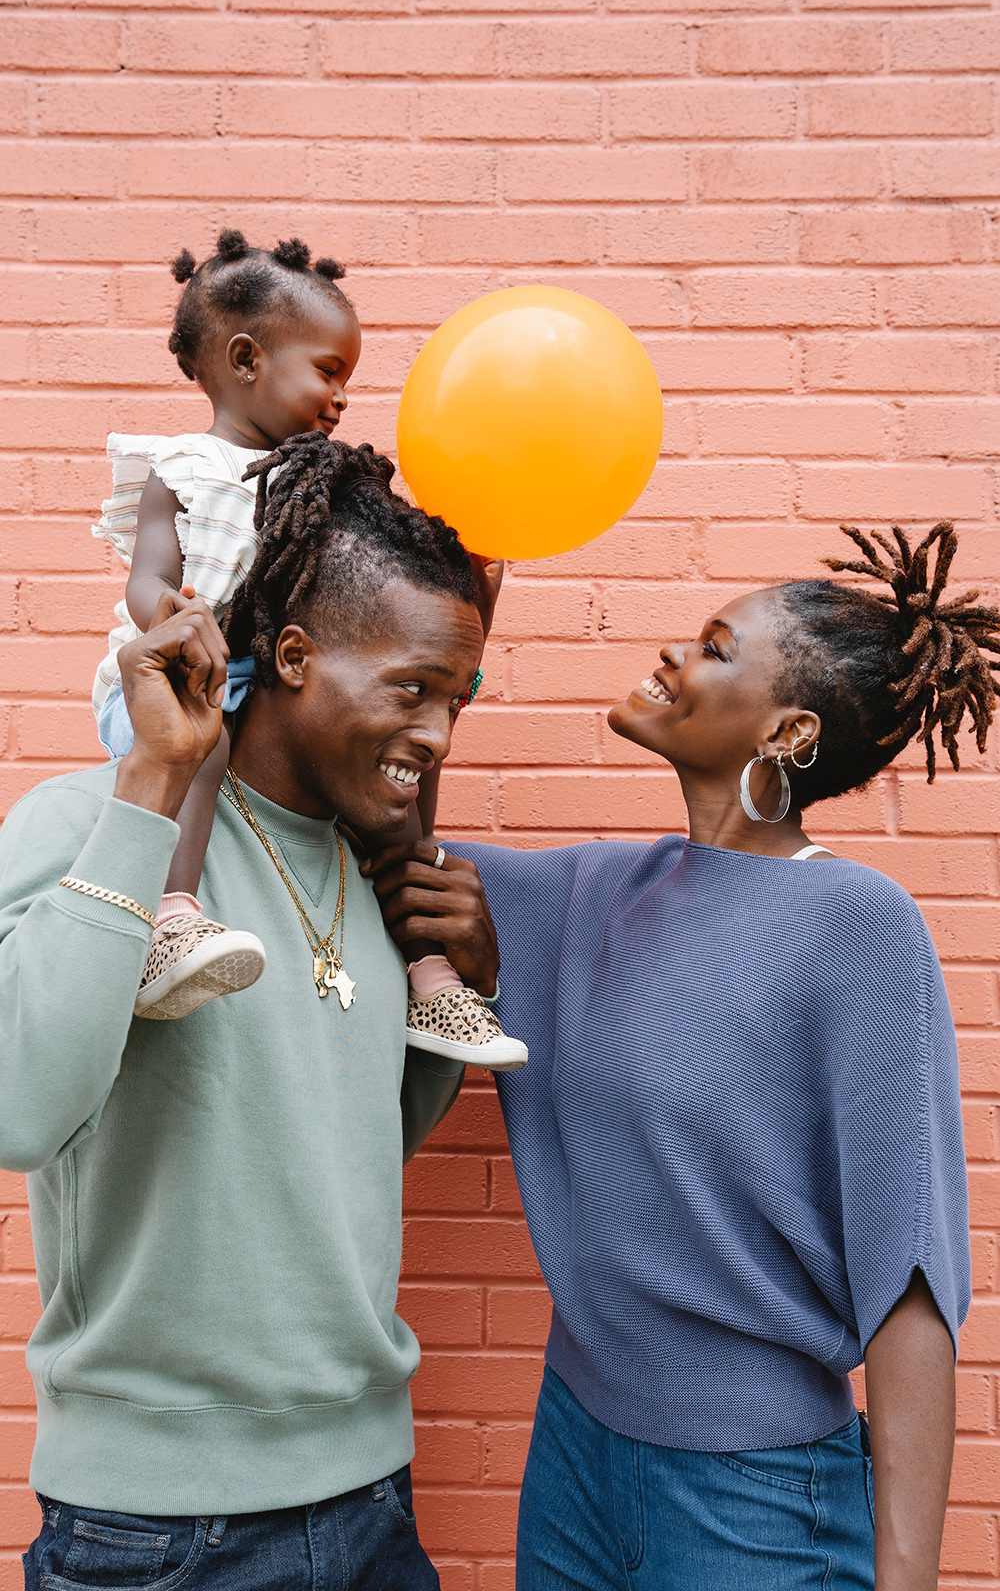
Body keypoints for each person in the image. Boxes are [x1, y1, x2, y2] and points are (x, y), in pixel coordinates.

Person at [370, 522, 995, 1590]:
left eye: (713, 646)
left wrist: (909, 1582)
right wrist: (464, 645)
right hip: (573, 1449)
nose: (672, 655)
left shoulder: (856, 923)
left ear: (786, 730)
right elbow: (393, 853)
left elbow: (909, 1283)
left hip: (752, 1499)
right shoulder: (592, 891)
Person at [2, 439, 505, 1590]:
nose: (436, 734)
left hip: (373, 1499)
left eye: (457, 699)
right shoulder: (87, 820)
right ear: (290, 656)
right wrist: (146, 790)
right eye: (411, 688)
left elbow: (349, 1149)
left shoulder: (373, 874)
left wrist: (463, 971)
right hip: (158, 1531)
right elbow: (14, 1109)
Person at [91, 231, 525, 1069]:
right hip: (179, 673)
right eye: (328, 371)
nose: (340, 398)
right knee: (204, 740)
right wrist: (180, 620)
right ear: (247, 358)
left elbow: (371, 614)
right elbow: (149, 580)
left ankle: (430, 976)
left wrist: (472, 594)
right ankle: (172, 913)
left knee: (393, 791)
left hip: (251, 674)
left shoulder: (317, 487)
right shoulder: (181, 466)